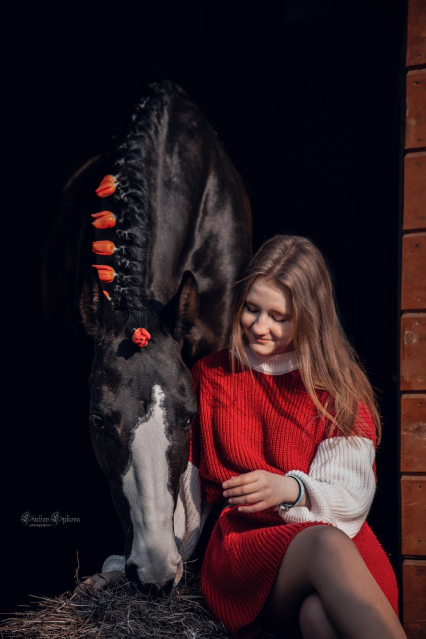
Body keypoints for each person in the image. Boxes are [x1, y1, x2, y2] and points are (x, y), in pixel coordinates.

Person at [83, 235, 406, 639]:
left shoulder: (338, 389)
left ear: (310, 319)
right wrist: (132, 563)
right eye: (252, 308)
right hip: (249, 553)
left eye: (279, 316)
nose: (259, 326)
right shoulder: (211, 377)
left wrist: (290, 489)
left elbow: (353, 497)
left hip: (344, 560)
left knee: (318, 619)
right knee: (324, 545)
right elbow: (183, 496)